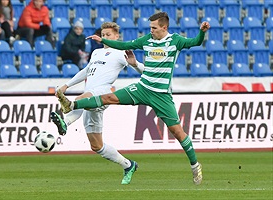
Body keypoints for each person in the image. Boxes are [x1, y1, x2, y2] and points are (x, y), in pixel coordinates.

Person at [57, 12, 211, 185]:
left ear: (164, 27)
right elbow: (124, 44)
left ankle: (195, 164)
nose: (151, 31)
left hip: (161, 95)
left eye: (154, 27)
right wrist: (103, 41)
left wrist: (202, 32)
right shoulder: (147, 40)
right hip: (142, 88)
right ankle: (71, 105)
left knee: (177, 131)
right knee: (109, 97)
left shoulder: (176, 41)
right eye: (150, 27)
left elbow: (196, 42)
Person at [51, 22, 144, 185]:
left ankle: (65, 122)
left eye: (109, 35)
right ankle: (128, 165)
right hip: (90, 96)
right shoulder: (96, 52)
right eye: (104, 35)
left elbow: (145, 71)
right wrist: (67, 85)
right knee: (96, 146)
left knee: (80, 100)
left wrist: (135, 64)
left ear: (117, 37)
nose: (105, 37)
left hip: (104, 93)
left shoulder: (120, 52)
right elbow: (86, 71)